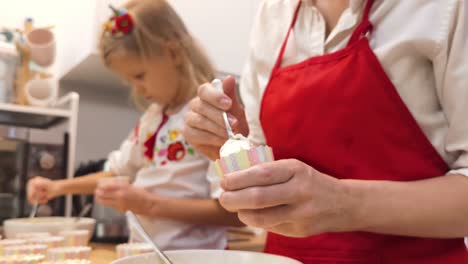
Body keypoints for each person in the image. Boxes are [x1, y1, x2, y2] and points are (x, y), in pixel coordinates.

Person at [183, 0, 468, 263]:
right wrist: (230, 147)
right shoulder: (274, 13)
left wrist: (345, 203)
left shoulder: (442, 8)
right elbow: (267, 165)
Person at [27, 0, 240, 250]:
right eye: (130, 80)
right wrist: (57, 187)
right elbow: (119, 172)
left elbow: (233, 213)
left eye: (140, 76)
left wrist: (148, 204)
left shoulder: (209, 114)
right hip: (147, 253)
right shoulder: (152, 118)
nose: (137, 89)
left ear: (173, 53)